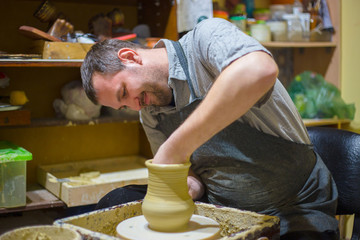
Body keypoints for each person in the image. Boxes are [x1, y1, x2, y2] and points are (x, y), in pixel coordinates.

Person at [81, 18, 339, 239]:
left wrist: (177, 146)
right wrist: (188, 186)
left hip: (295, 206)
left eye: (124, 91)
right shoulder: (150, 114)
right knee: (116, 201)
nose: (135, 106)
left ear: (130, 57)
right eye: (123, 105)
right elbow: (190, 176)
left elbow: (259, 69)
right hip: (226, 213)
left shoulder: (205, 40)